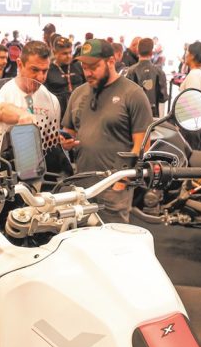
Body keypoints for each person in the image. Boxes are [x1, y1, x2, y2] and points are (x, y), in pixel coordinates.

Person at [61, 39, 152, 224]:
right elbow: (68, 132)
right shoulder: (78, 93)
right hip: (81, 189)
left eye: (94, 67)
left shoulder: (133, 94)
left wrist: (121, 183)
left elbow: (143, 145)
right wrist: (66, 142)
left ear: (111, 61)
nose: (88, 72)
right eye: (84, 67)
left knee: (112, 239)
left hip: (113, 191)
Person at [0, 41, 71, 182]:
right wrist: (22, 115)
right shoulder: (0, 90)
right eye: (34, 70)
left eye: (45, 71)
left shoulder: (52, 100)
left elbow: (49, 140)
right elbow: (0, 111)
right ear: (20, 64)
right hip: (3, 171)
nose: (40, 77)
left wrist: (60, 143)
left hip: (38, 172)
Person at [179, 41, 201, 150]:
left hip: (193, 125)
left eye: (187, 52)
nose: (185, 55)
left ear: (192, 55)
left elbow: (191, 103)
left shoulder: (195, 75)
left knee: (190, 156)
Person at [125, 37, 168, 118]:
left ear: (138, 51)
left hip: (134, 115)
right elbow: (163, 98)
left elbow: (126, 96)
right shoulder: (160, 73)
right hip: (153, 116)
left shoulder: (130, 71)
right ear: (151, 53)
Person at [46, 36, 84, 116]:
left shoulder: (78, 66)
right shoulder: (48, 70)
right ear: (54, 52)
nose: (69, 56)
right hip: (58, 112)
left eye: (70, 52)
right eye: (64, 53)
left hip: (80, 109)